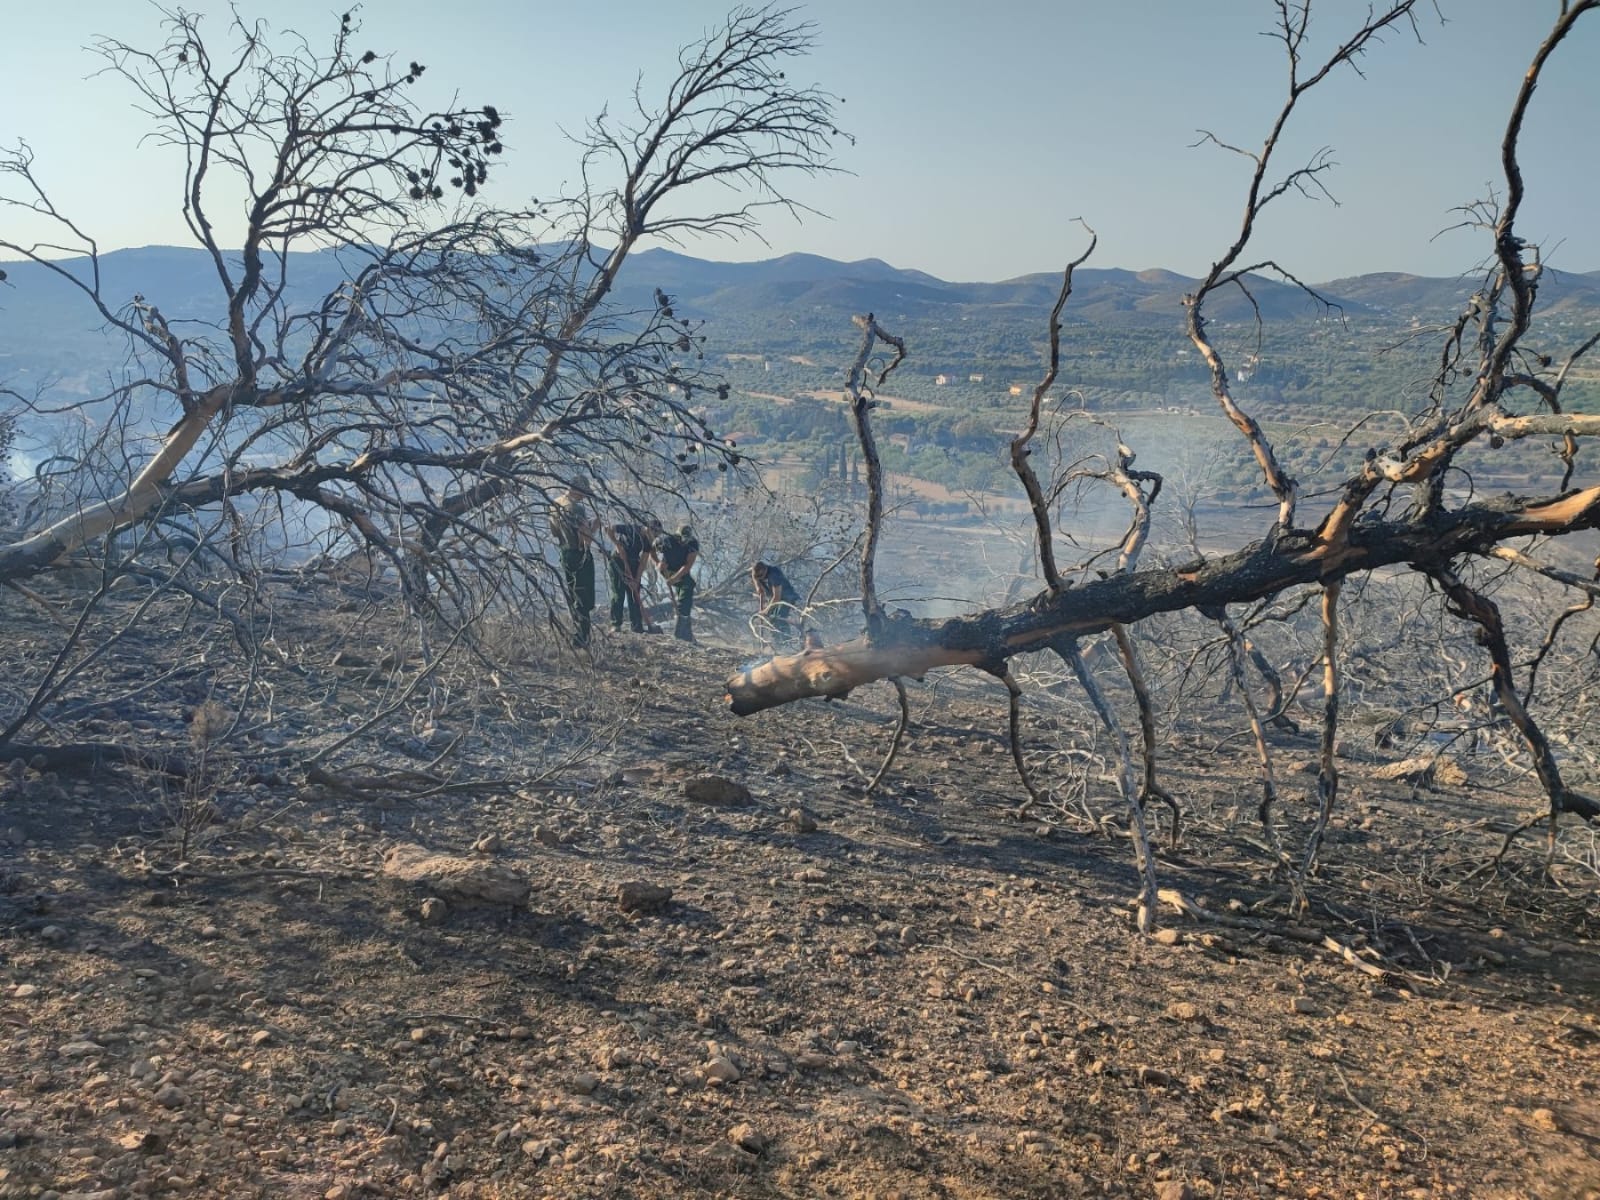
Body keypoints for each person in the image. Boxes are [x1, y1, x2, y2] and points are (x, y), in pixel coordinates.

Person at [550, 479, 598, 648]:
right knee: (583, 596)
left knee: (573, 592)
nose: (585, 497)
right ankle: (582, 636)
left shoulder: (555, 504)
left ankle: (577, 632)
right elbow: (586, 539)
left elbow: (554, 532)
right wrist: (593, 527)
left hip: (565, 552)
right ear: (578, 491)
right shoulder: (576, 509)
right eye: (584, 493)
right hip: (579, 554)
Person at [606, 516, 660, 634]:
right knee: (618, 594)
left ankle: (636, 626)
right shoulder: (631, 529)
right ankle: (616, 624)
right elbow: (609, 529)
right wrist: (617, 545)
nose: (654, 537)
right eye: (653, 533)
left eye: (656, 535)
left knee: (634, 595)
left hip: (634, 563)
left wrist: (636, 580)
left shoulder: (648, 542)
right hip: (618, 561)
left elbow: (643, 562)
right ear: (648, 528)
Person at [653, 523, 700, 642]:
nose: (683, 542)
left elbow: (688, 565)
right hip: (668, 570)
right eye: (681, 539)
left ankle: (685, 633)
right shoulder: (666, 540)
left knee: (687, 591)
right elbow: (650, 548)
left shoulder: (693, 544)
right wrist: (657, 563)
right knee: (687, 590)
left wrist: (674, 579)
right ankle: (682, 631)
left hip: (682, 571)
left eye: (686, 539)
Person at [751, 560, 802, 647]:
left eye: (761, 576)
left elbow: (777, 597)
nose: (760, 578)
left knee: (779, 619)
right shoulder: (758, 572)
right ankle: (778, 643)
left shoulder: (774, 575)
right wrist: (757, 586)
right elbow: (753, 574)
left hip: (787, 599)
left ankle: (787, 644)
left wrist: (766, 610)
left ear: (765, 570)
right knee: (771, 619)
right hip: (776, 600)